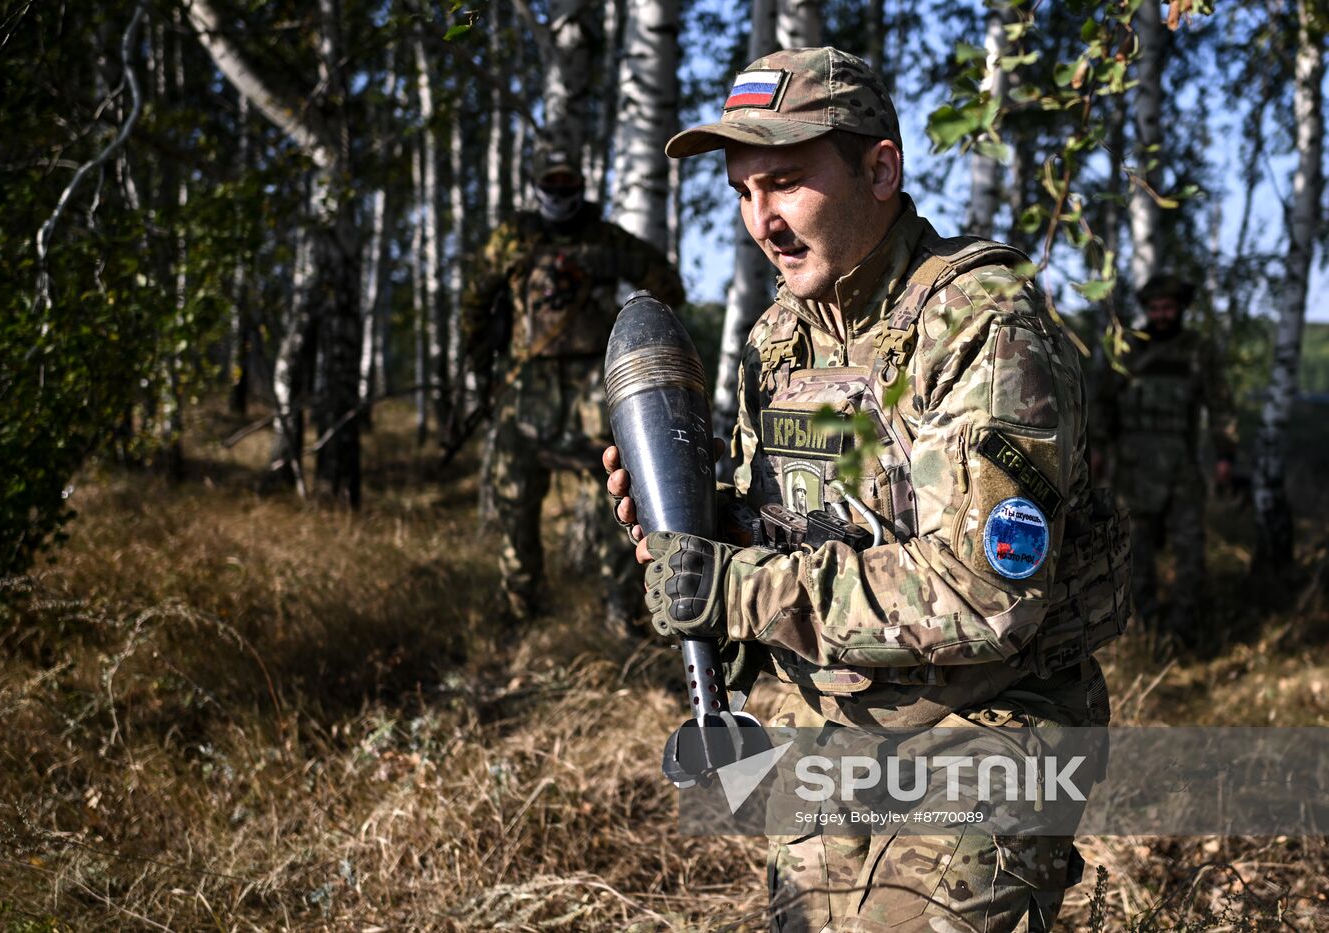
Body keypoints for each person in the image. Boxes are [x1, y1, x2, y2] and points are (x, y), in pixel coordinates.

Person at [604, 48, 1130, 931]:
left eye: (784, 183)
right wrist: (697, 533)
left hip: (997, 714)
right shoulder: (778, 342)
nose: (760, 220)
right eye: (741, 192)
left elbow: (986, 593)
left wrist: (736, 589)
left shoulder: (981, 324)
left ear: (880, 169)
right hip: (844, 725)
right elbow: (783, 533)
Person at [462, 146, 685, 633]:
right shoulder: (512, 237)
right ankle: (522, 611)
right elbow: (474, 301)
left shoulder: (604, 237)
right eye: (552, 184)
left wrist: (605, 265)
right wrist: (479, 367)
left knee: (620, 496)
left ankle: (622, 610)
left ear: (580, 187)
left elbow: (669, 285)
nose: (560, 195)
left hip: (592, 385)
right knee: (513, 495)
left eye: (568, 185)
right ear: (537, 185)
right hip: (526, 384)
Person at [1092, 273, 1237, 641]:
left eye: (1167, 308)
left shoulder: (1198, 350)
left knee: (1189, 549)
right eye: (1154, 308)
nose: (1160, 315)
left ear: (1180, 309)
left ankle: (1184, 630)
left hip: (1181, 469)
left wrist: (1225, 455)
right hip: (1133, 468)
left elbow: (1220, 406)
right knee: (1133, 552)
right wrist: (1096, 449)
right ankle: (1142, 626)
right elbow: (1103, 404)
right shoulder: (1128, 349)